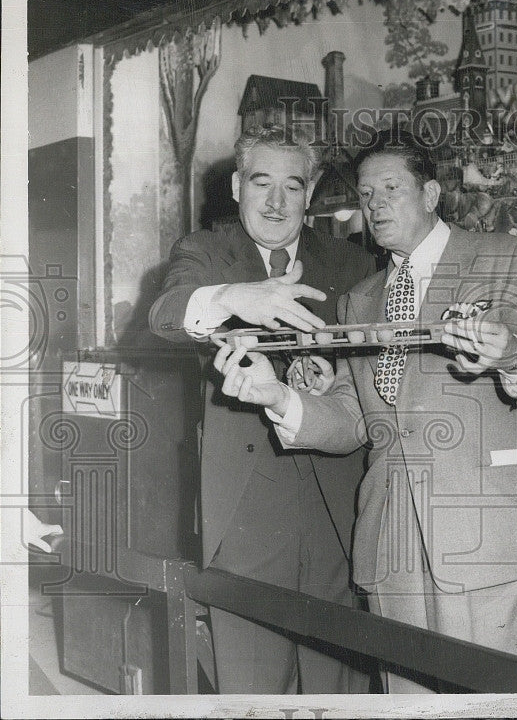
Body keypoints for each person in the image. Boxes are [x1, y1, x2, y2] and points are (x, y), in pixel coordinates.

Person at [212, 129, 517, 693]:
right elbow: (355, 419)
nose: (375, 204)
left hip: (483, 536)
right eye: (365, 194)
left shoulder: (505, 256)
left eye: (390, 188)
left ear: (430, 194)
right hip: (389, 546)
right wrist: (278, 397)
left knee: (499, 702)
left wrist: (510, 354)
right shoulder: (361, 298)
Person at [148, 125, 376, 694]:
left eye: (292, 186)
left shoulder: (351, 263)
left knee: (339, 685)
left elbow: (373, 371)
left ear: (313, 190)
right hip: (246, 504)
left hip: (338, 504)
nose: (276, 202)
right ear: (236, 186)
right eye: (261, 182)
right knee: (251, 687)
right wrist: (234, 297)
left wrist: (336, 372)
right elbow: (166, 313)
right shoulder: (205, 252)